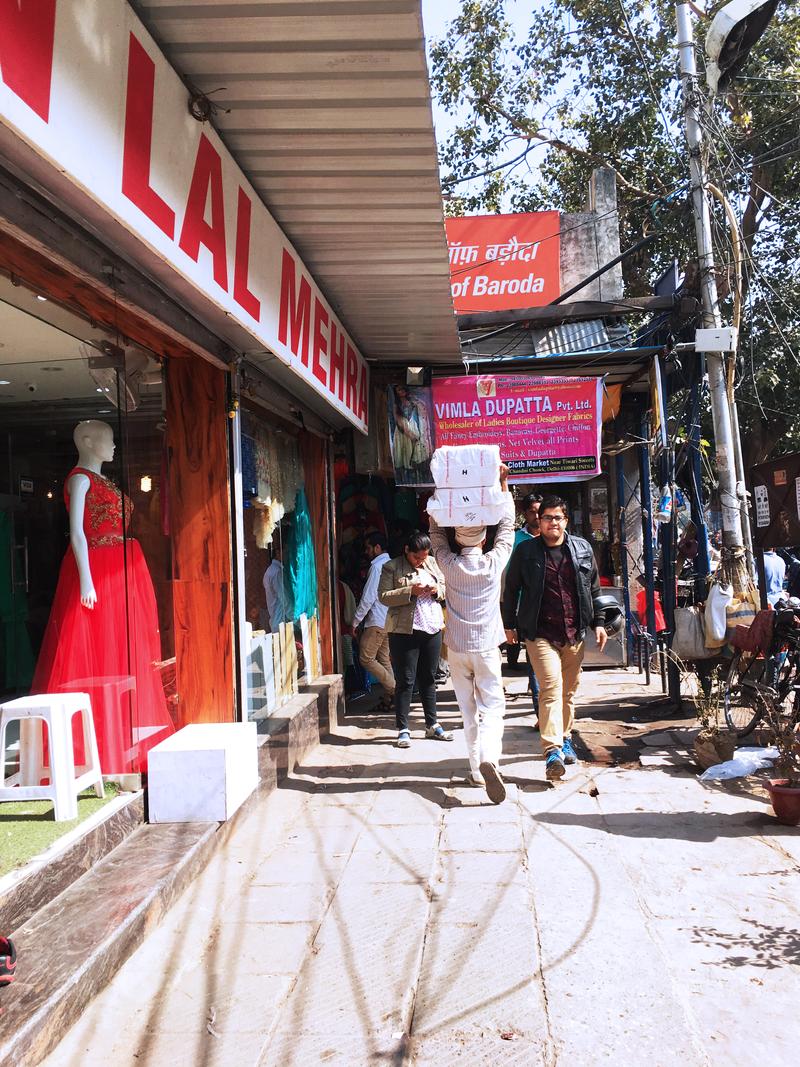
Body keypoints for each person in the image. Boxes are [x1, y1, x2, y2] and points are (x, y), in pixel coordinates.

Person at [502, 495, 608, 781]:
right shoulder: (526, 552)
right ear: (539, 520)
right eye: (546, 518)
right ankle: (552, 751)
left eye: (557, 518)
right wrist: (509, 625)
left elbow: (594, 590)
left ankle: (565, 736)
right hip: (540, 633)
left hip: (574, 633)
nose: (551, 523)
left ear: (565, 520)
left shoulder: (582, 549)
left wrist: (599, 623)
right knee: (550, 688)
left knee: (568, 692)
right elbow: (511, 589)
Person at [429, 464, 515, 804]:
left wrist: (440, 499)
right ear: (483, 538)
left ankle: (477, 771)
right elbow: (507, 526)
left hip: (456, 648)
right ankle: (489, 758)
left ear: (458, 537)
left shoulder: (448, 564)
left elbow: (435, 536)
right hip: (486, 647)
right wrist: (503, 483)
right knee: (492, 707)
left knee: (467, 711)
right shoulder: (494, 563)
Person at [378, 531, 449, 748]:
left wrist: (437, 590)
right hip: (403, 630)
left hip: (432, 626)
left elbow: (446, 588)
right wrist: (411, 591)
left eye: (424, 556)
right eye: (417, 557)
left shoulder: (432, 563)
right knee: (406, 680)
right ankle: (403, 728)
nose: (421, 560)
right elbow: (383, 596)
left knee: (429, 676)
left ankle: (432, 724)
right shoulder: (391, 566)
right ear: (406, 550)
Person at [508, 491, 542, 712]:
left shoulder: (556, 538)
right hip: (526, 607)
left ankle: (540, 695)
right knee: (533, 655)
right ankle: (540, 707)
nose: (537, 517)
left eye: (541, 512)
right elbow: (511, 577)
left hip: (553, 608)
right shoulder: (516, 540)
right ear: (525, 514)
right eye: (532, 512)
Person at [352, 532, 395, 709]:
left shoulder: (377, 567)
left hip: (377, 620)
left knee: (366, 659)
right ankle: (390, 699)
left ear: (377, 548)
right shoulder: (391, 564)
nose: (367, 551)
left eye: (369, 548)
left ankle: (395, 690)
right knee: (384, 658)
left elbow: (368, 597)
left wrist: (355, 621)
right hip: (389, 618)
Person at [391, 386, 433, 484]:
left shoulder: (412, 402)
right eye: (399, 390)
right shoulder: (396, 405)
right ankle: (406, 481)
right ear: (396, 393)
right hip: (402, 432)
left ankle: (418, 479)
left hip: (413, 426)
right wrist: (408, 433)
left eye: (402, 389)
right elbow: (398, 420)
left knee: (416, 454)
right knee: (404, 456)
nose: (402, 391)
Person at [263, 539, 289, 633]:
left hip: (275, 619)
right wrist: (295, 617)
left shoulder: (270, 571)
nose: (287, 555)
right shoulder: (276, 572)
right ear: (278, 553)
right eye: (285, 551)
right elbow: (284, 598)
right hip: (280, 621)